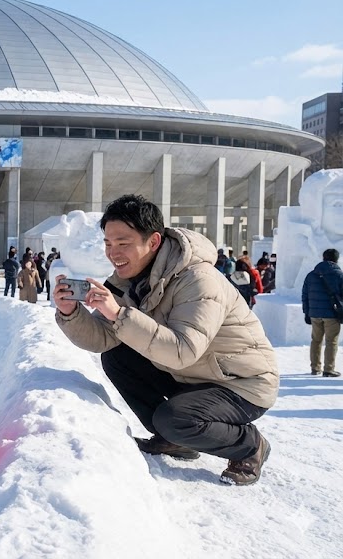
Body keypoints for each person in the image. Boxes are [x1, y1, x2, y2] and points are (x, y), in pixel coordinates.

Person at [53, 194, 278, 486]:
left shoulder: (198, 279)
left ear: (153, 242)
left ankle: (250, 445)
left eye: (123, 243)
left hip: (240, 382)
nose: (113, 253)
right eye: (108, 243)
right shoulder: (128, 280)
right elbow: (102, 339)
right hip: (192, 375)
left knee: (175, 418)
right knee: (117, 356)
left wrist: (118, 314)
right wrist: (71, 312)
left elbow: (183, 351)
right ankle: (174, 440)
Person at [301, 248, 343, 377]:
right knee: (331, 341)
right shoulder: (339, 275)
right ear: (336, 259)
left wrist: (307, 312)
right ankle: (328, 369)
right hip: (332, 314)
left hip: (314, 313)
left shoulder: (311, 275)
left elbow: (305, 295)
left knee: (316, 340)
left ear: (323, 258)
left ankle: (315, 368)